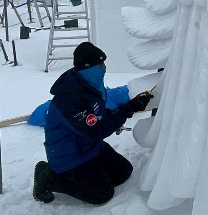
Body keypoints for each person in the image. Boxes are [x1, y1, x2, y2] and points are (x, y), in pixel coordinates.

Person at [33, 42, 152, 205]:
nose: (105, 67)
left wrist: (123, 109)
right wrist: (127, 110)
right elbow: (95, 131)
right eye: (101, 64)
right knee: (102, 194)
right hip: (68, 155)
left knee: (123, 172)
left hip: (89, 145)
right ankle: (48, 176)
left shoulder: (89, 84)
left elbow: (97, 116)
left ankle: (92, 172)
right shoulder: (69, 99)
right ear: (89, 68)